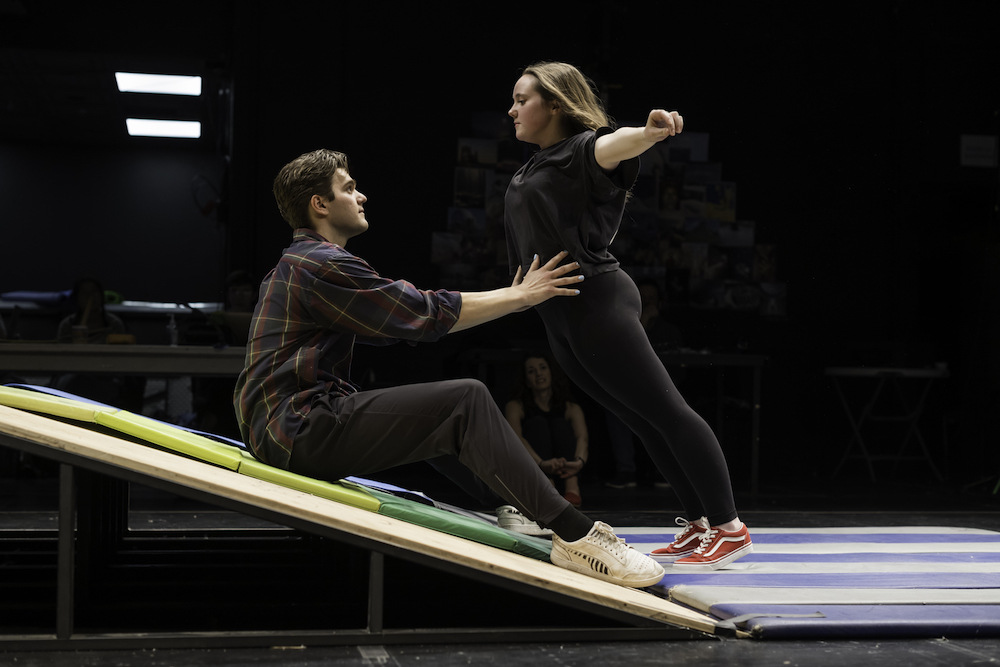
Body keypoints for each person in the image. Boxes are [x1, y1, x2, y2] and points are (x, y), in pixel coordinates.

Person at [233, 148, 664, 588]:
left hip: (285, 427)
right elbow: (422, 313)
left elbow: (400, 323)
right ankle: (576, 536)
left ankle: (510, 503)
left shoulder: (302, 263)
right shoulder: (322, 264)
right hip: (297, 428)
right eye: (349, 188)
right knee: (464, 399)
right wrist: (521, 296)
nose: (361, 196)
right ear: (319, 204)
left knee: (430, 411)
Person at [503, 61, 752, 570]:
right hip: (561, 313)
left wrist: (651, 131)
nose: (512, 109)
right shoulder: (534, 164)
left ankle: (731, 527)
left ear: (554, 104)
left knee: (667, 411)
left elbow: (614, 145)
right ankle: (699, 524)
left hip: (597, 301)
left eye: (522, 99)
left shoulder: (580, 150)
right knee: (641, 419)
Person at [504, 352, 588, 507]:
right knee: (537, 423)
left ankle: (572, 487)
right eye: (531, 371)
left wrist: (578, 463)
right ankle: (546, 486)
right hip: (535, 471)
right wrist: (541, 463)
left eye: (542, 368)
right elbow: (516, 439)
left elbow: (582, 437)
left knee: (560, 424)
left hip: (566, 471)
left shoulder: (570, 407)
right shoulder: (516, 406)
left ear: (551, 372)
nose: (538, 374)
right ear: (526, 380)